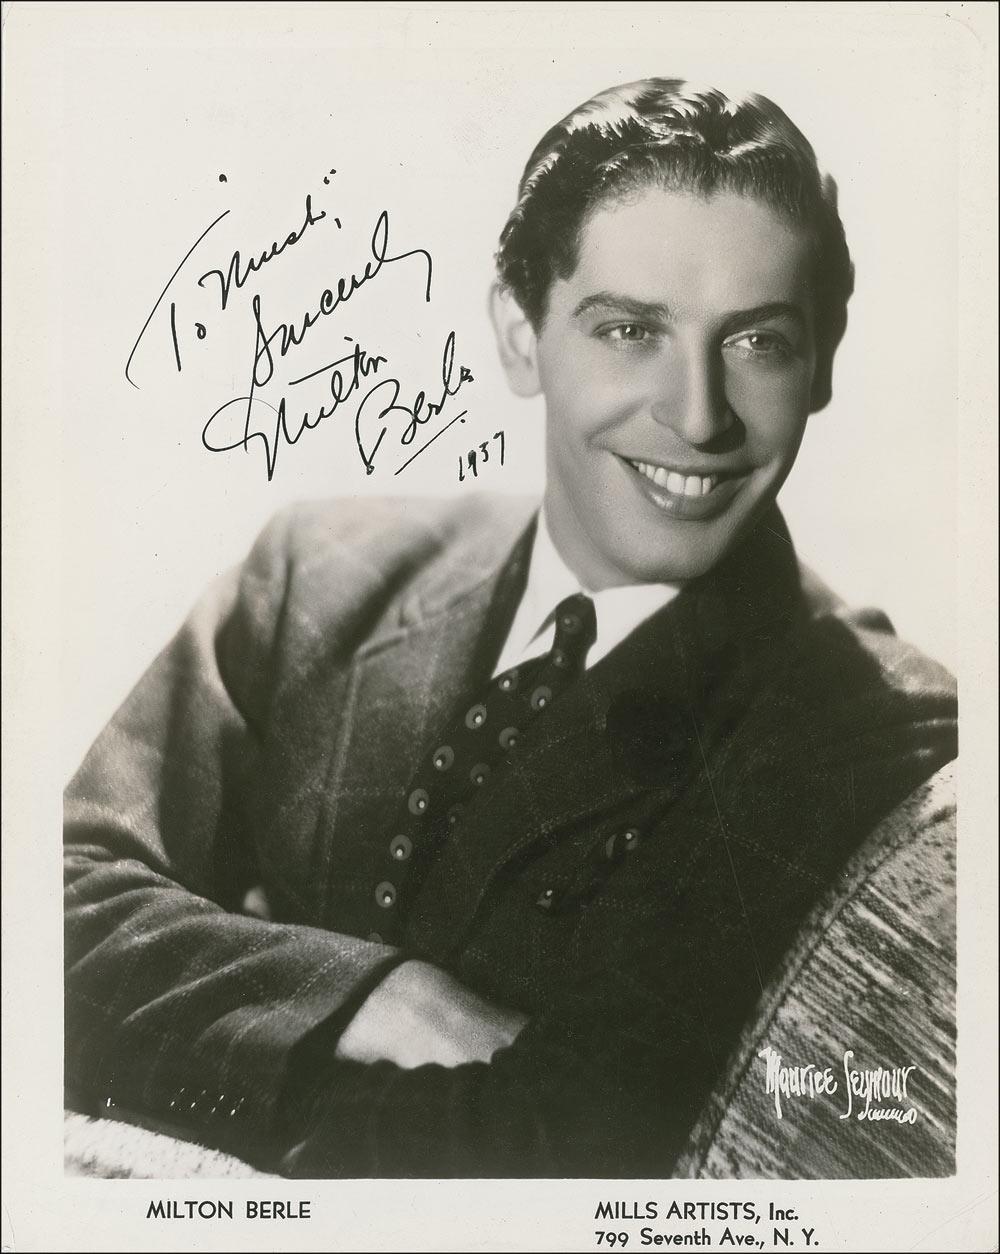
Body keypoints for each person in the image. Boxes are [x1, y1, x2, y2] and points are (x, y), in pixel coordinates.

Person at [64, 78, 958, 1178]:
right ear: (520, 335)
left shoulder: (866, 724)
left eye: (757, 342)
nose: (697, 415)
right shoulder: (320, 569)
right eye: (630, 330)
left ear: (823, 358)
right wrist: (374, 996)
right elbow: (52, 897)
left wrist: (145, 1054)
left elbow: (558, 1146)